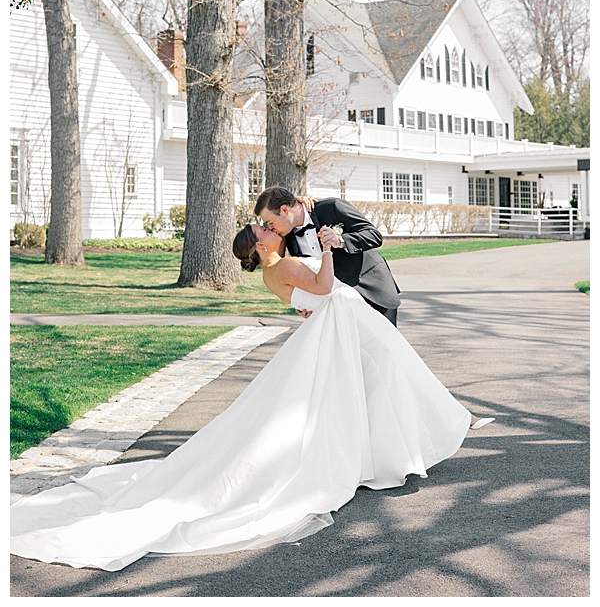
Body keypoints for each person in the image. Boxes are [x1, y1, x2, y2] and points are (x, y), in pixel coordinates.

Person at [10, 224, 493, 571]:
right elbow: (324, 286)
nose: (268, 230)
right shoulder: (280, 265)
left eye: (267, 225)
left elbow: (312, 297)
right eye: (262, 230)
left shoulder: (275, 269)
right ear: (258, 246)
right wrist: (326, 248)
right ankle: (413, 441)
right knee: (356, 394)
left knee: (374, 386)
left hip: (338, 329)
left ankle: (412, 440)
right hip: (335, 333)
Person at [254, 186, 401, 326]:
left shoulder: (332, 207)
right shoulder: (289, 236)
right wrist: (309, 304)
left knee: (385, 348)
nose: (270, 227)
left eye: (270, 222)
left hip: (371, 290)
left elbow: (374, 236)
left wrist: (340, 240)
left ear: (284, 210)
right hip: (338, 306)